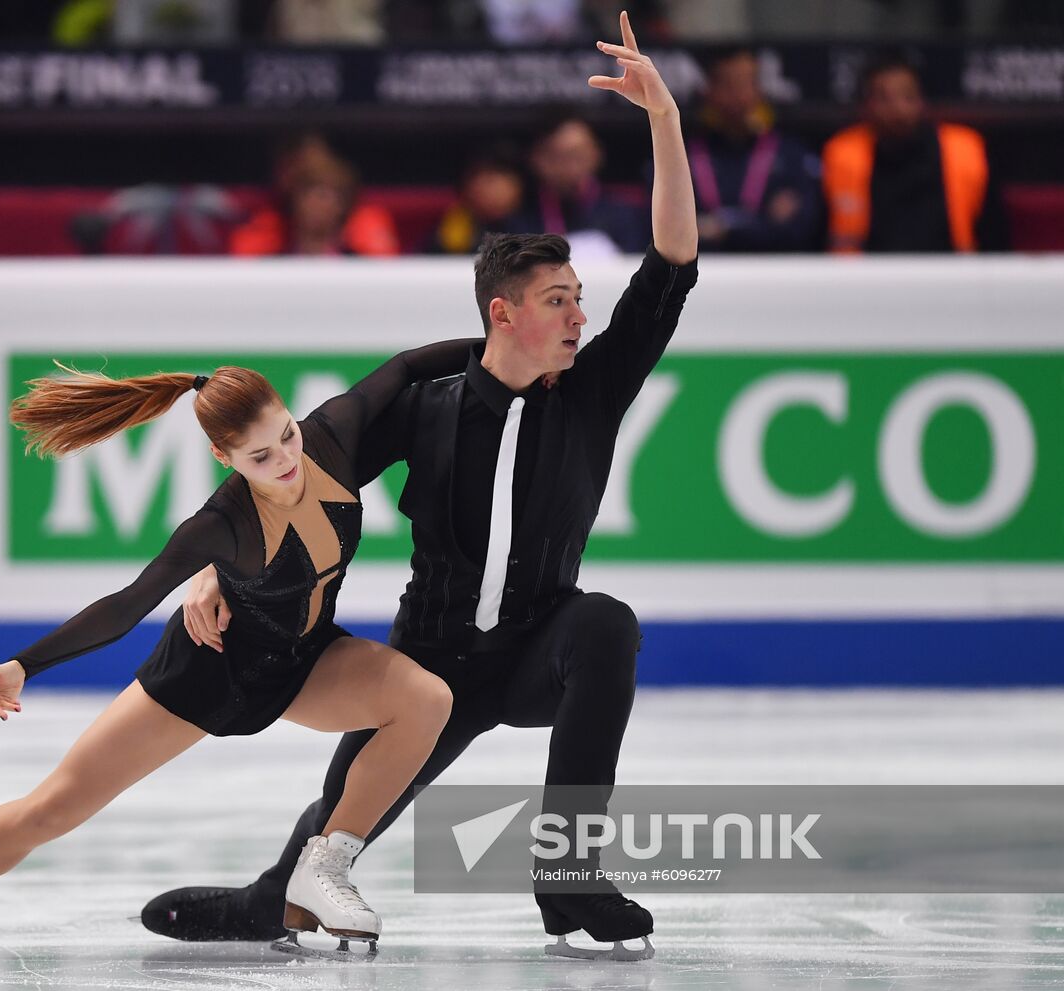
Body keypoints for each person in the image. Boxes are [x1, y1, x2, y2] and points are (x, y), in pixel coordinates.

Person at [142, 10, 698, 961]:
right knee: (323, 849)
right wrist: (213, 570)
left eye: (579, 300)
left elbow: (673, 266)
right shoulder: (426, 405)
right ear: (504, 312)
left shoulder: (594, 390)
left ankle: (568, 873)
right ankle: (265, 901)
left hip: (538, 645)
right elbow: (291, 484)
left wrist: (664, 120)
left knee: (605, 620)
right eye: (558, 301)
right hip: (429, 662)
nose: (577, 315)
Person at [0, 339, 480, 959]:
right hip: (206, 674)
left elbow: (413, 363)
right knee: (52, 808)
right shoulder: (221, 525)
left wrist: (517, 351)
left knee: (425, 699)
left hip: (302, 663)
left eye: (287, 436)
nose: (286, 461)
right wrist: (25, 662)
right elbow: (125, 606)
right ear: (224, 459)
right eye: (261, 457)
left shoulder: (333, 436)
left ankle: (323, 864)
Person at [823, 54, 1007, 253]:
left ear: (922, 101)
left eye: (907, 97)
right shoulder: (841, 154)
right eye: (884, 98)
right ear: (866, 105)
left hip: (950, 272)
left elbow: (993, 234)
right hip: (867, 277)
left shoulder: (964, 149)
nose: (897, 109)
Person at [687, 46, 821, 252]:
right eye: (727, 84)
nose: (737, 95)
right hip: (703, 270)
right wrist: (765, 222)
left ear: (760, 90)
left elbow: (800, 230)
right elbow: (670, 231)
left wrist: (721, 230)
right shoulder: (684, 156)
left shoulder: (791, 155)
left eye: (745, 84)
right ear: (709, 90)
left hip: (771, 271)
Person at [506, 112, 649, 255]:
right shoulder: (520, 219)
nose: (572, 167)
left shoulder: (625, 215)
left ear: (597, 153)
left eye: (579, 155)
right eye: (560, 156)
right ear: (537, 159)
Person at [229, 138, 399, 256]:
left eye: (325, 196)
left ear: (342, 205)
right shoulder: (271, 268)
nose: (315, 204)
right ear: (295, 200)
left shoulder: (362, 270)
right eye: (308, 195)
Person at [426, 145, 525, 255]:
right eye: (486, 180)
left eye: (496, 179)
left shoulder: (538, 225)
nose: (493, 191)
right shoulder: (453, 229)